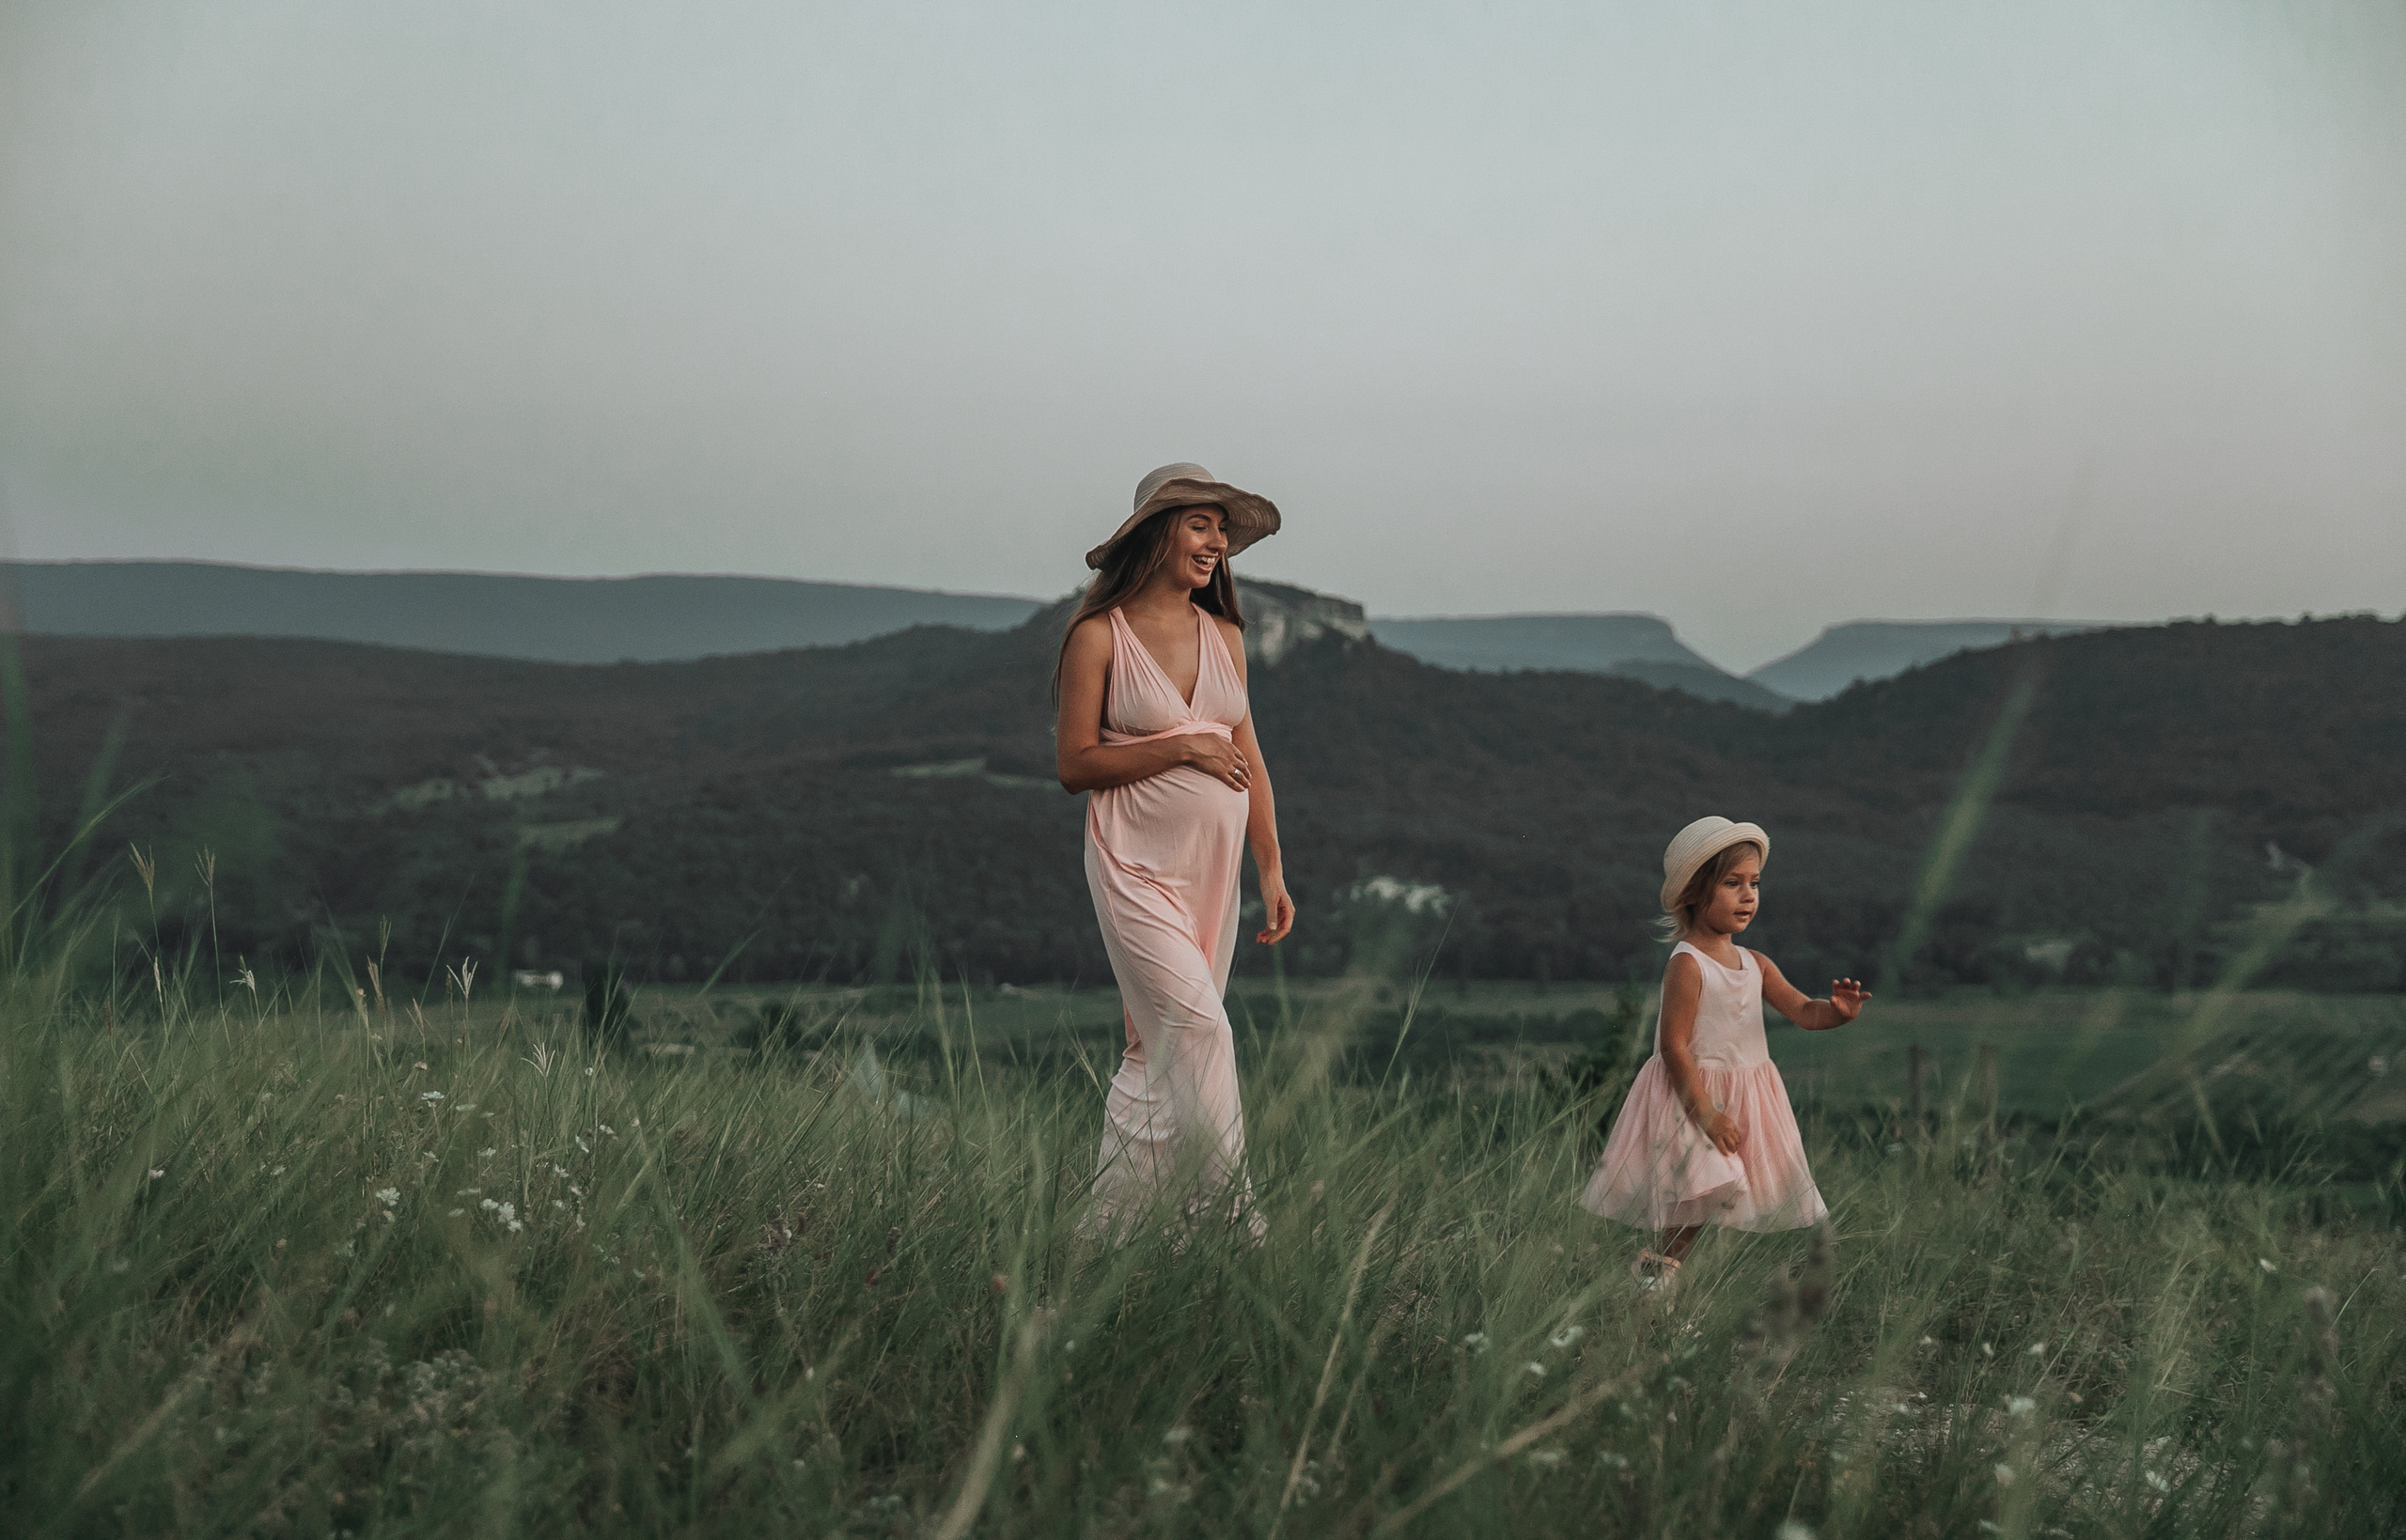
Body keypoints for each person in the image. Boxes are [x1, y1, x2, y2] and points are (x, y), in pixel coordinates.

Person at [1055, 463, 1297, 1238]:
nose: (1217, 542)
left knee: (1152, 1048)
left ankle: (1110, 1235)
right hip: (1132, 862)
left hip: (1214, 873)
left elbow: (1251, 757)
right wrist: (1183, 748)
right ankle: (1230, 1220)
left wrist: (1271, 867)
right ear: (1157, 534)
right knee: (1200, 1029)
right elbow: (1075, 766)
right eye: (1201, 524)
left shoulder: (1225, 634)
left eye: (1222, 530)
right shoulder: (1099, 636)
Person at [1580, 817, 1868, 1287]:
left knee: (1703, 1199)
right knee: (1702, 1193)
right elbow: (1673, 1045)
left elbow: (1802, 1011)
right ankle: (1652, 1284)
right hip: (1691, 1095)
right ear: (1694, 892)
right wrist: (1706, 1113)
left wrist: (1837, 1012)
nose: (1748, 895)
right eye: (1732, 883)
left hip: (1746, 1094)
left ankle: (1653, 1282)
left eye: (1754, 883)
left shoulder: (1755, 962)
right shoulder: (1688, 964)